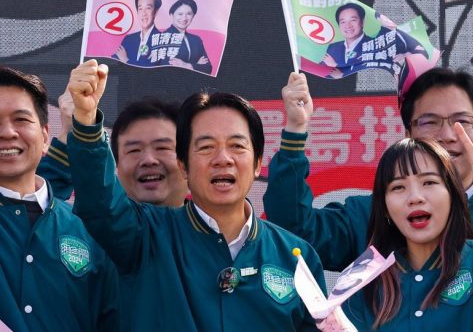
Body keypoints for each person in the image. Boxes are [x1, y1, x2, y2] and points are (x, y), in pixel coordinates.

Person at [264, 69, 473, 332]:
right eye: (430, 122)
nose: (447, 135)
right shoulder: (368, 224)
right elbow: (294, 231)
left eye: (462, 121)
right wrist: (295, 134)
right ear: (407, 133)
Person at [65, 59, 325, 331]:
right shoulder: (146, 236)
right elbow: (100, 202)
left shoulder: (296, 257)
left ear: (258, 163)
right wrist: (85, 120)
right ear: (183, 166)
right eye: (206, 147)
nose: (223, 159)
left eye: (237, 146)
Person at [341, 137, 473, 331]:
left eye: (429, 182)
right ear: (383, 206)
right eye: (398, 187)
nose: (415, 197)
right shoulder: (363, 282)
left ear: (453, 195)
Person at [0, 66, 119, 332]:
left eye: (21, 119)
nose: (8, 132)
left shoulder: (88, 231)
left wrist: (80, 122)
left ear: (44, 136)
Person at [38, 94, 188, 207]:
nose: (148, 160)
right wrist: (70, 133)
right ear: (117, 167)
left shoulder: (210, 232)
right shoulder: (93, 231)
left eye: (162, 148)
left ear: (186, 163)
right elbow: (36, 205)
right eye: (134, 150)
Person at [154, 0, 212, 73]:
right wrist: (196, 65)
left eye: (189, 14)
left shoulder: (196, 40)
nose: (184, 18)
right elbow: (169, 71)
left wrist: (186, 65)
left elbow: (208, 68)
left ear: (193, 16)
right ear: (171, 15)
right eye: (180, 14)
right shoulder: (162, 39)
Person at [112, 0, 162, 67]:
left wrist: (126, 60)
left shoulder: (162, 40)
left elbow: (148, 68)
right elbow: (115, 60)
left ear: (155, 12)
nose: (144, 13)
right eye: (140, 8)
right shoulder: (129, 39)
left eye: (148, 8)